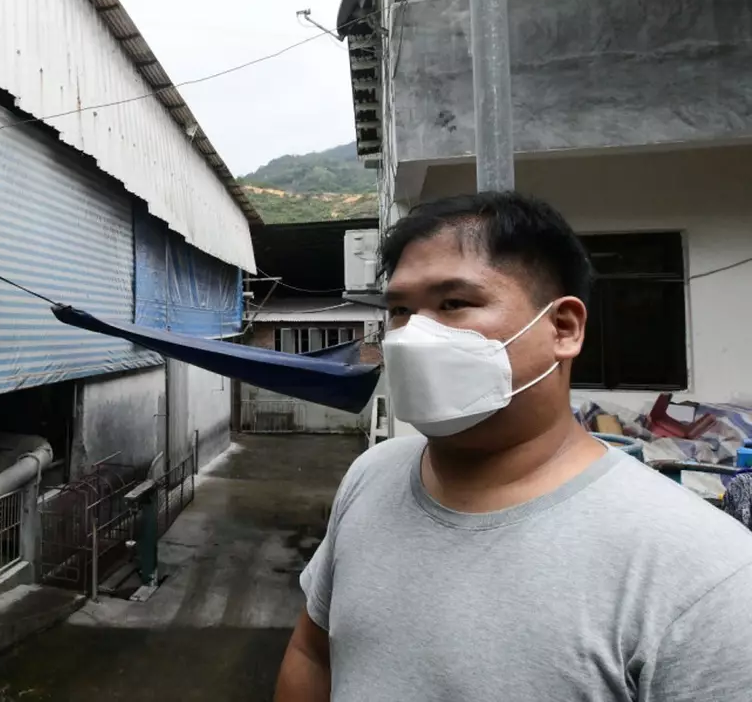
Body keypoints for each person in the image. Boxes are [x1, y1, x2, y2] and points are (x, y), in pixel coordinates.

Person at [274, 192, 752, 702]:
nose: (412, 335)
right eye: (400, 310)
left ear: (563, 328)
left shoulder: (708, 575)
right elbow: (314, 653)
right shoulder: (371, 475)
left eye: (453, 303)